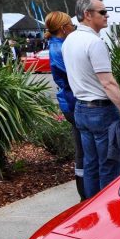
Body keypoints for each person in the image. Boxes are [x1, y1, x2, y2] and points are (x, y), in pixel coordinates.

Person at [63, 0, 120, 199]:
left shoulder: (70, 40)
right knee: (109, 165)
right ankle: (106, 210)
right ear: (87, 15)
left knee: (91, 164)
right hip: (100, 111)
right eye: (102, 12)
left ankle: (91, 209)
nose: (106, 15)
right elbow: (108, 83)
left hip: (81, 109)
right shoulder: (94, 43)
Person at [45, 11, 86, 201]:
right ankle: (84, 193)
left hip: (71, 100)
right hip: (72, 102)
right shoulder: (59, 48)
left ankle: (85, 191)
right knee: (83, 149)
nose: (73, 26)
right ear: (63, 28)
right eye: (70, 24)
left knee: (83, 147)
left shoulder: (60, 46)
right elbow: (72, 76)